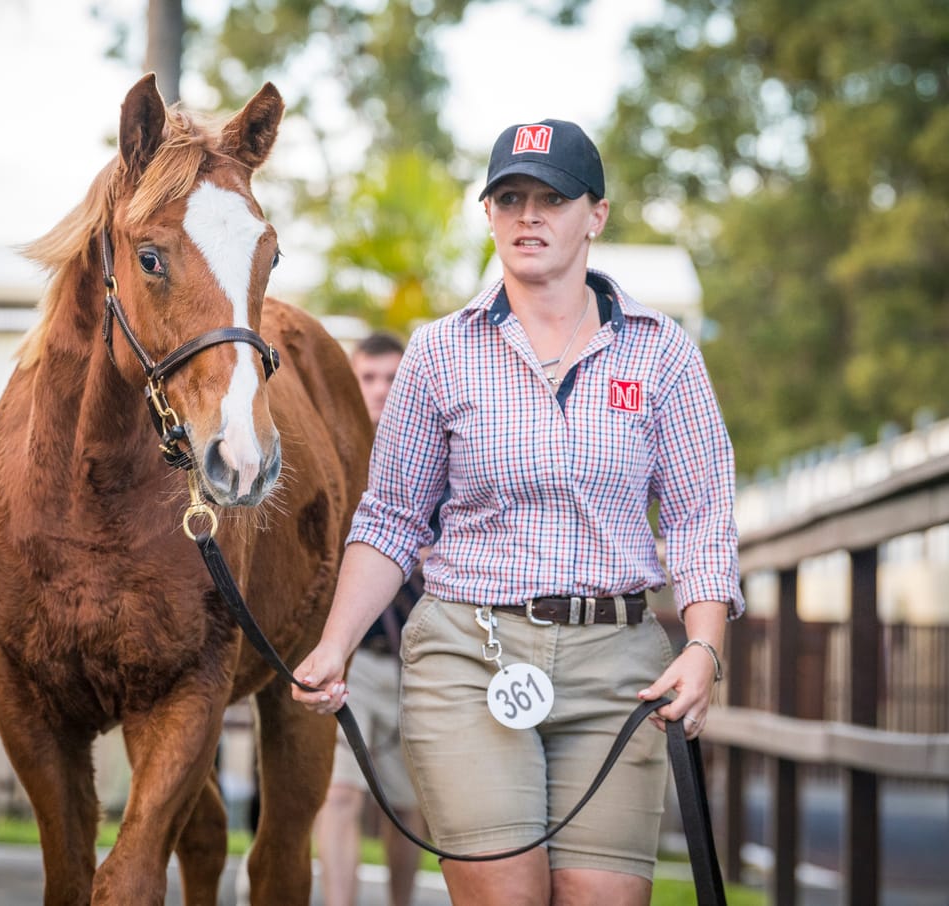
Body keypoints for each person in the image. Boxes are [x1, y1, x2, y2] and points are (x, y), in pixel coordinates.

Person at [293, 117, 743, 905]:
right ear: (490, 215)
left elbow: (700, 516)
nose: (528, 216)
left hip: (618, 667)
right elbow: (392, 516)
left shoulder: (663, 353)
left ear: (594, 214)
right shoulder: (437, 352)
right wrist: (336, 643)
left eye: (551, 198)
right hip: (473, 653)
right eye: (510, 198)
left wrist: (702, 647)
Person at [313, 331, 429, 906]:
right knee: (337, 794)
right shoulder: (332, 457)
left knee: (408, 807)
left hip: (422, 656)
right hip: (351, 656)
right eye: (369, 378)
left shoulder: (433, 451)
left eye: (392, 377)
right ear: (352, 382)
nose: (381, 389)